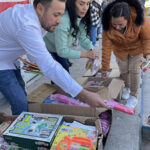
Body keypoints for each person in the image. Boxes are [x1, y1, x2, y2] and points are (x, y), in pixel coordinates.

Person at [0, 0, 109, 115]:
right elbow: (49, 66)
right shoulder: (27, 25)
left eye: (61, 15)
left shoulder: (37, 16)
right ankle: (16, 129)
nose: (59, 21)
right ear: (40, 8)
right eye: (56, 15)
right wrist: (85, 95)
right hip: (2, 63)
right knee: (20, 103)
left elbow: (36, 57)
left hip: (10, 60)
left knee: (21, 92)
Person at [101, 0, 150, 109]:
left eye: (121, 24)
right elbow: (106, 47)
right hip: (120, 50)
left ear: (128, 19)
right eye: (114, 24)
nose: (117, 27)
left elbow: (147, 38)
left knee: (134, 70)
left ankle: (134, 96)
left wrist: (147, 53)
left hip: (137, 49)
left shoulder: (140, 20)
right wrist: (104, 67)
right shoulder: (107, 26)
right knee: (124, 70)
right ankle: (127, 87)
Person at [44, 0, 99, 72]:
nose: (85, 8)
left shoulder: (80, 17)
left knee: (63, 70)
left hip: (60, 48)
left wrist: (92, 51)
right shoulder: (63, 21)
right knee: (63, 71)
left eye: (88, 4)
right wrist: (86, 54)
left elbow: (82, 38)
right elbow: (62, 51)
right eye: (81, 4)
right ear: (72, 3)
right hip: (49, 48)